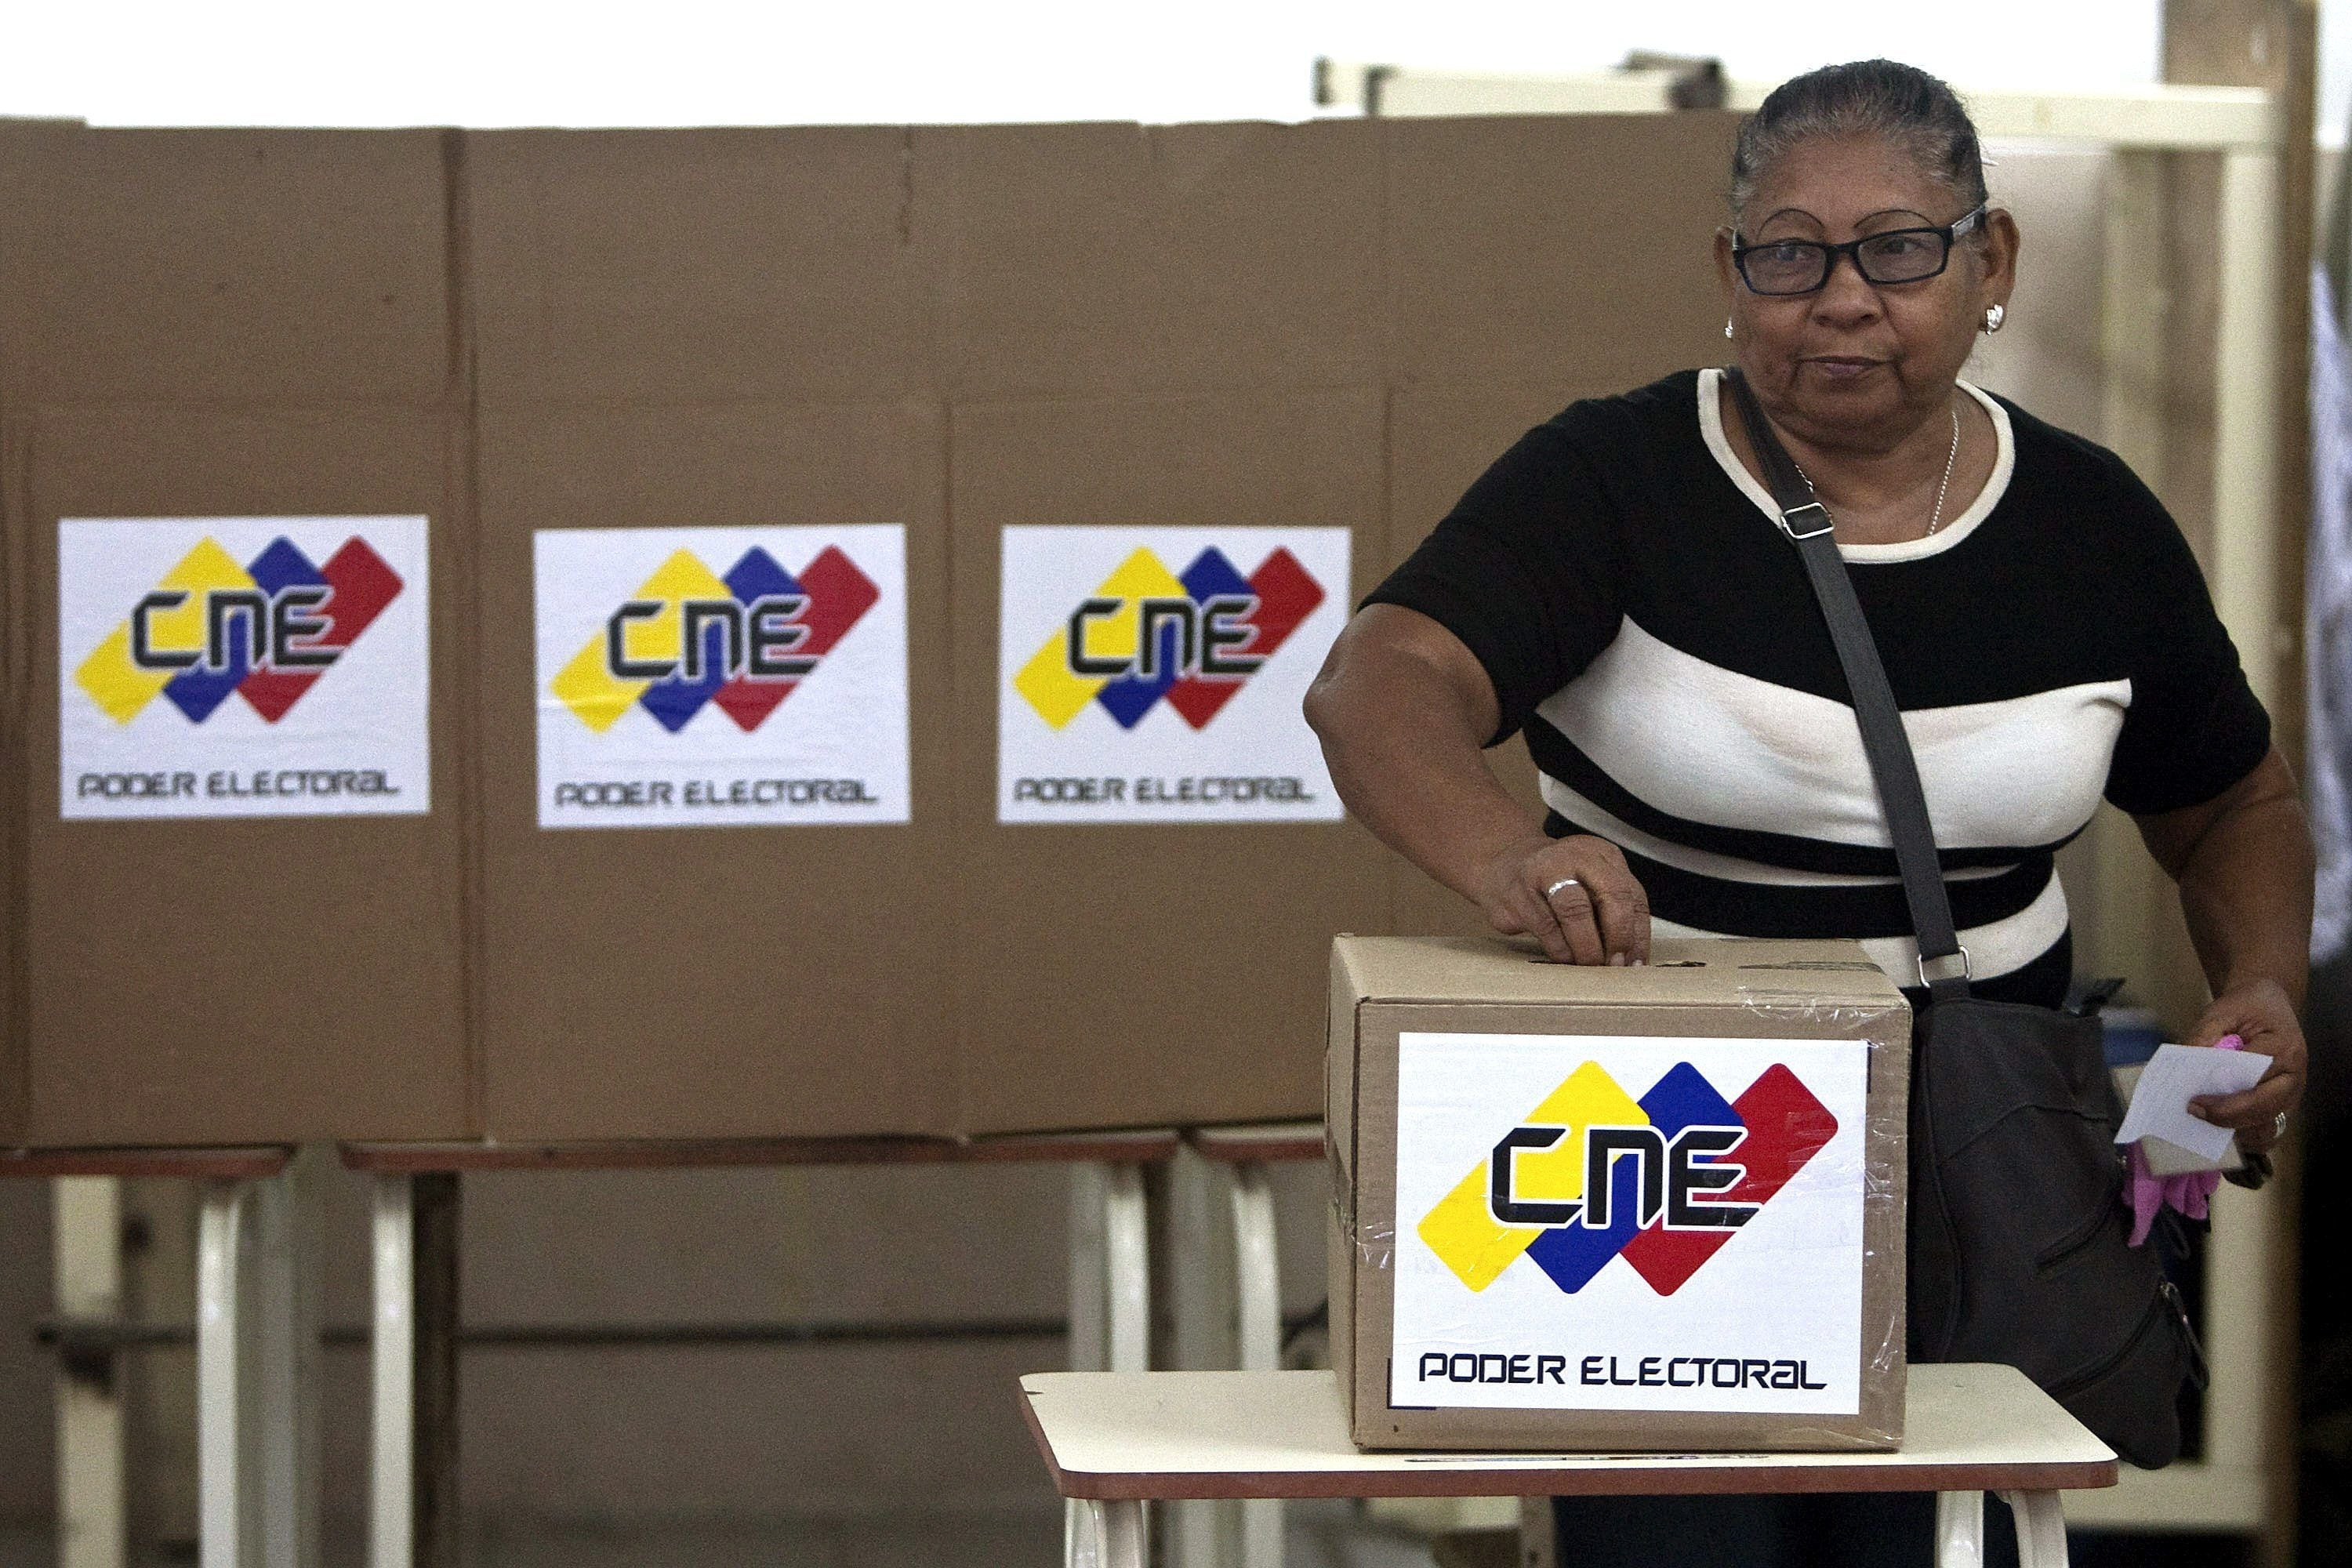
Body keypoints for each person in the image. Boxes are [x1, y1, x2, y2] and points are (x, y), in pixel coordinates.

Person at [1303, 58, 2316, 1567]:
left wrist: (2259, 983)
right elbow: (1378, 684)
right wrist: (1506, 855)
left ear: (1994, 261)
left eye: (1901, 246)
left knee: (1950, 1544)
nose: (1842, 296)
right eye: (1790, 253)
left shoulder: (2090, 526)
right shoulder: (1617, 479)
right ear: (1731, 272)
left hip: (1978, 1164)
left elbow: (2230, 795)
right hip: (1661, 1158)